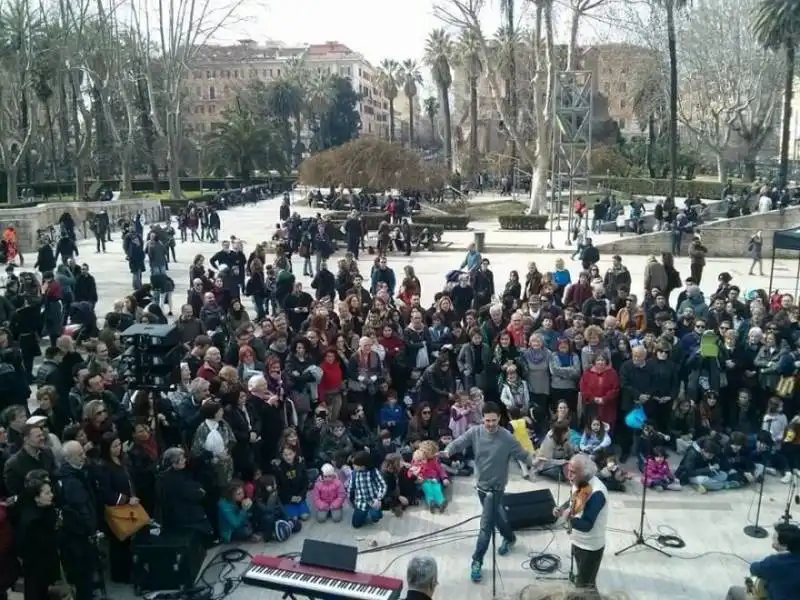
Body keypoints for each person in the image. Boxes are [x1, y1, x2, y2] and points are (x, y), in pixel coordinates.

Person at [442, 401, 533, 583]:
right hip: (481, 486)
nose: (490, 424)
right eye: (487, 420)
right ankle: (509, 537)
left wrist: (535, 461)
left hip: (496, 488)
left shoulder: (507, 437)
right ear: (482, 418)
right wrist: (448, 450)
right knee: (495, 516)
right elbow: (460, 442)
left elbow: (522, 454)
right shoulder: (475, 432)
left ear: (499, 418)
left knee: (486, 526)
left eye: (494, 420)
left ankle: (477, 560)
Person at [553, 454, 608, 596]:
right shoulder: (580, 482)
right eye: (569, 470)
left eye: (573, 472)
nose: (569, 475)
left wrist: (568, 519)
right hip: (577, 541)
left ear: (584, 472)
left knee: (583, 586)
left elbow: (587, 524)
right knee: (587, 584)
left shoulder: (597, 493)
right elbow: (574, 500)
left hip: (590, 548)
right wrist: (562, 508)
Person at [725, 522, 800, 600]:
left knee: (734, 590)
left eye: (774, 539)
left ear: (784, 546)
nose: (772, 543)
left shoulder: (775, 562)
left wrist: (777, 557)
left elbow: (754, 568)